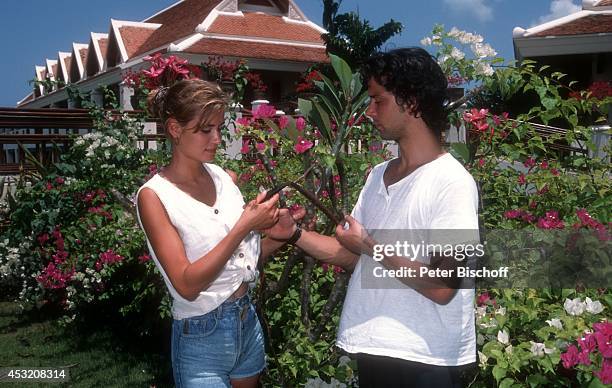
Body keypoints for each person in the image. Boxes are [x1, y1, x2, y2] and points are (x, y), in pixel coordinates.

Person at [282, 48, 479, 387]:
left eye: (378, 100)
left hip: (423, 359)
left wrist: (372, 246)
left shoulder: (452, 182)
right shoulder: (377, 176)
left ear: (412, 101)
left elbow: (444, 286)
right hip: (374, 350)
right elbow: (352, 256)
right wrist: (293, 233)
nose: (369, 112)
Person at [136, 79, 301, 387]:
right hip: (200, 336)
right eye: (204, 129)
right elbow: (186, 284)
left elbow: (238, 264)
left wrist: (276, 237)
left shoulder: (224, 178)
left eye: (218, 128)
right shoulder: (154, 197)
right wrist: (243, 227)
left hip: (246, 323)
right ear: (174, 129)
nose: (216, 139)